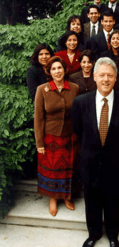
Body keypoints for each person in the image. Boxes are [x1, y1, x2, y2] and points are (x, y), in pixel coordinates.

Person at [71, 57, 119, 247]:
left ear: (116, 78)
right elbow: (78, 130)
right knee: (91, 199)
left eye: (110, 75)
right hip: (90, 161)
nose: (106, 79)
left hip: (116, 163)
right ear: (95, 77)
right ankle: (93, 234)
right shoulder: (81, 102)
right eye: (102, 75)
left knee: (114, 200)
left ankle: (113, 236)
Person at [34, 56, 80, 217]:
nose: (57, 71)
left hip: (70, 136)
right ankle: (53, 198)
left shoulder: (74, 88)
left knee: (69, 169)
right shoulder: (42, 89)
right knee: (52, 169)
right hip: (50, 137)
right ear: (49, 72)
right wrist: (39, 143)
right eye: (53, 69)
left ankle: (67, 197)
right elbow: (38, 118)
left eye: (59, 68)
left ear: (64, 70)